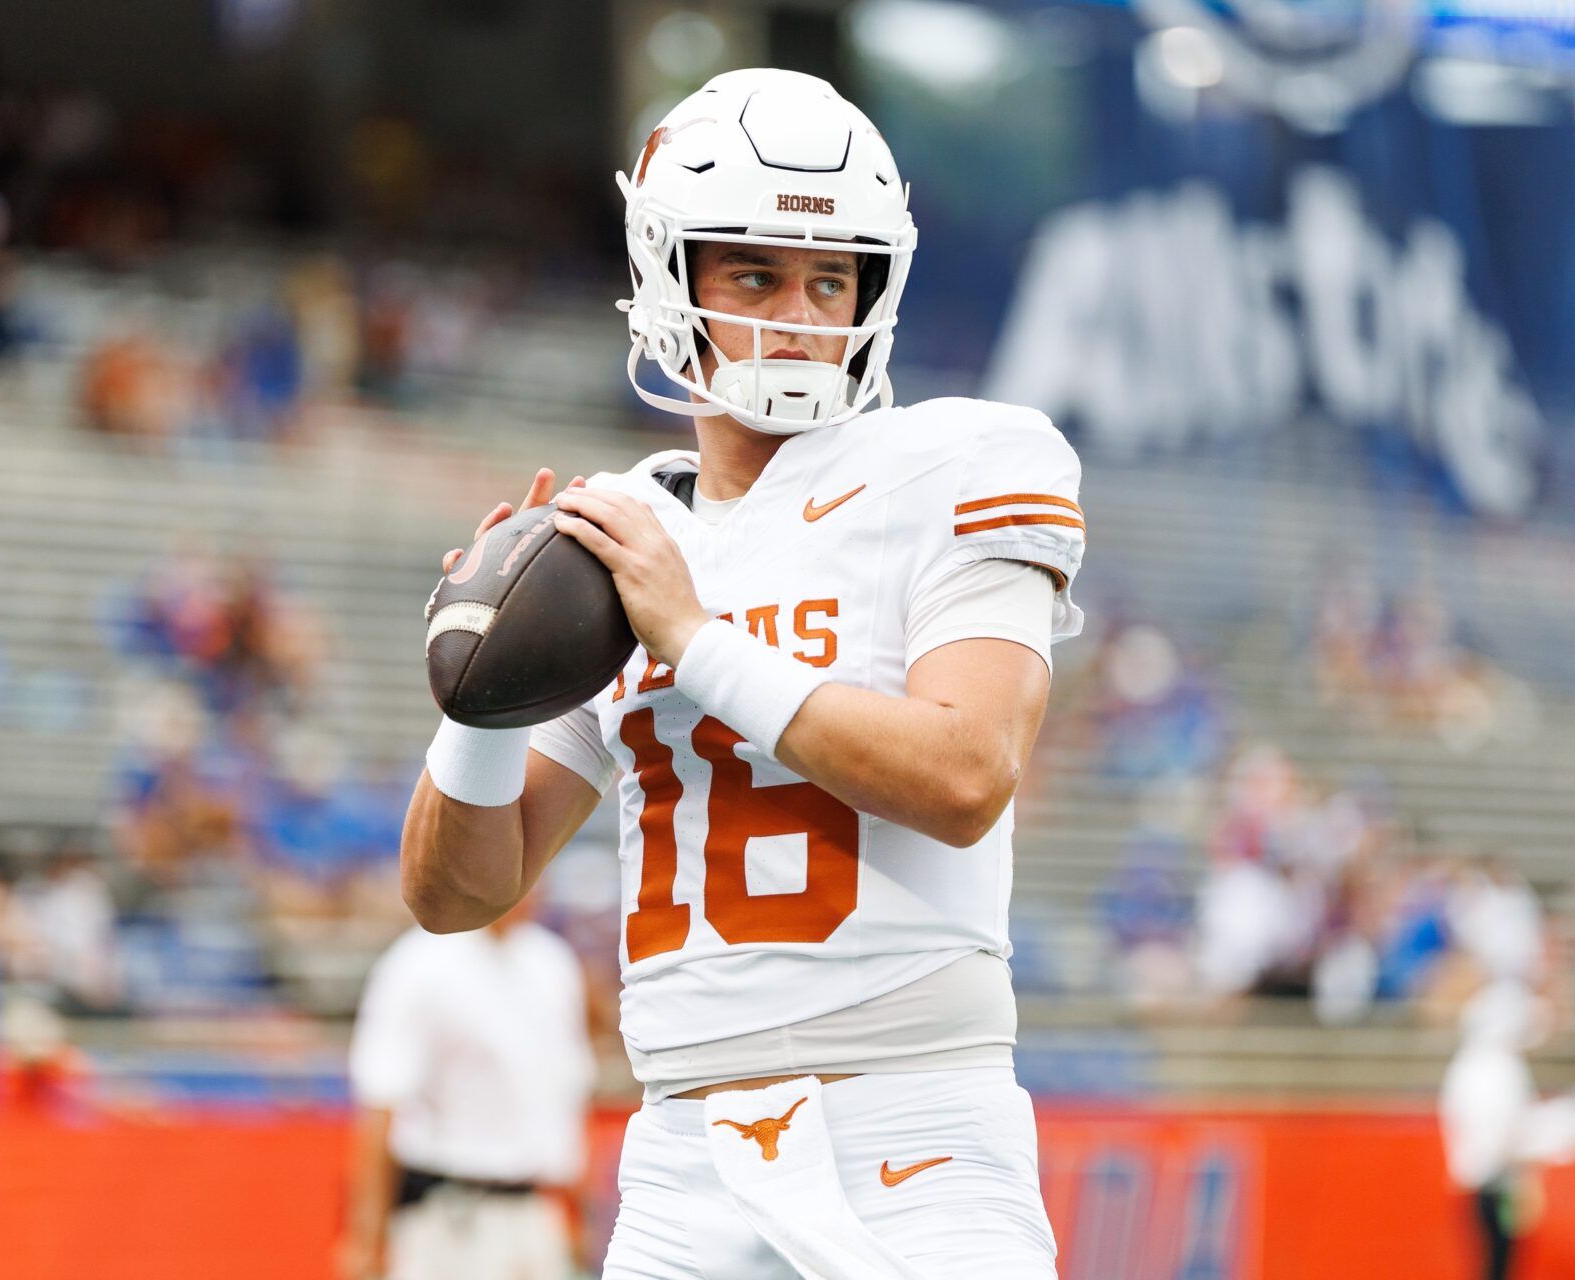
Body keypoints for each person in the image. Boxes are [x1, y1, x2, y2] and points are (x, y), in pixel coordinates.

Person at [401, 68, 1085, 1280]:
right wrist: (479, 705)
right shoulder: (622, 536)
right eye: (755, 273)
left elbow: (969, 771)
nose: (797, 316)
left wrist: (699, 638)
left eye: (832, 278)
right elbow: (458, 894)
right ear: (673, 277)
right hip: (681, 1158)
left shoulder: (957, 461)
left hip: (911, 1132)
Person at [339, 899, 592, 1280]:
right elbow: (381, 1103)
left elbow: (563, 1104)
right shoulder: (420, 963)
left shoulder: (552, 962)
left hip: (535, 1213)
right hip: (450, 1216)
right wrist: (367, 1238)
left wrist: (576, 1215)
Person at [1439, 981, 1575, 1280]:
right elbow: (1507, 1136)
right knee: (1498, 1265)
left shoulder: (1473, 1064)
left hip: (1491, 1186)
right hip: (1495, 1187)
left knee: (1499, 1264)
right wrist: (1564, 1128)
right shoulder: (1494, 1067)